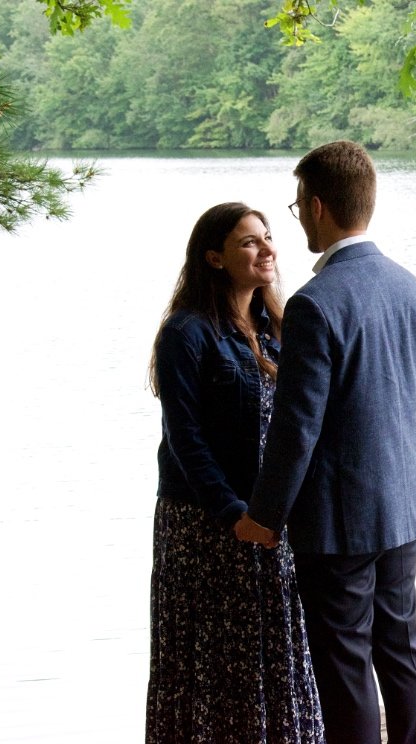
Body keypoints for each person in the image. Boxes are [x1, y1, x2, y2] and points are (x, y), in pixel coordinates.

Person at [235, 141, 416, 744]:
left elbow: (298, 429)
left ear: (318, 206)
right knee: (400, 648)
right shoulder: (412, 289)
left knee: (345, 661)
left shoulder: (314, 305)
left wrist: (264, 516)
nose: (297, 219)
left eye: (297, 207)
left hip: (339, 518)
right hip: (404, 502)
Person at [146, 202, 324, 744]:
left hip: (271, 521)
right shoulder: (187, 332)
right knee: (210, 657)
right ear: (214, 258)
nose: (268, 248)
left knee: (278, 646)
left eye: (268, 237)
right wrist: (232, 515)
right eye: (249, 241)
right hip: (204, 524)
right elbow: (185, 440)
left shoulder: (281, 326)